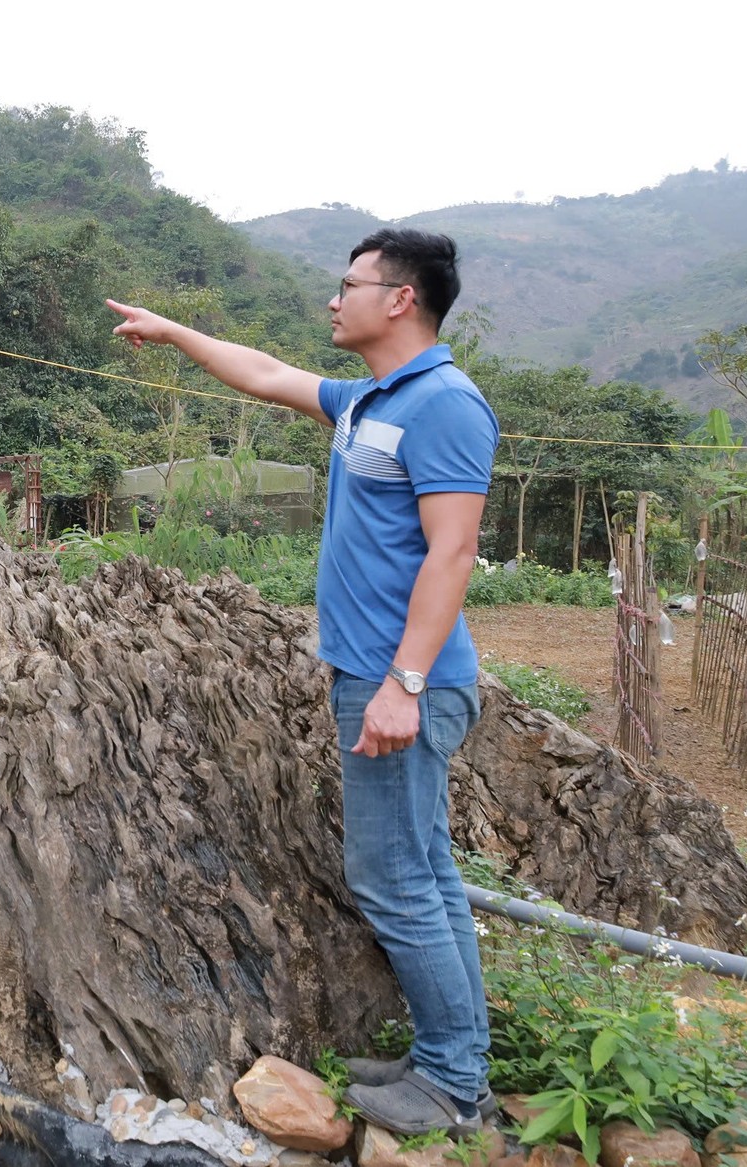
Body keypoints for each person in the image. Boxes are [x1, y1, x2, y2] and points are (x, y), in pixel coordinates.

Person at [105, 229, 498, 1137]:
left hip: (402, 683)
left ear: (400, 299)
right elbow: (263, 374)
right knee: (426, 872)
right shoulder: (372, 400)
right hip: (374, 674)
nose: (335, 298)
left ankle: (451, 1081)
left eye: (350, 283)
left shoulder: (445, 404)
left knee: (393, 877)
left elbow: (455, 550)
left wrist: (403, 681)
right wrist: (173, 333)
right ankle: (452, 1054)